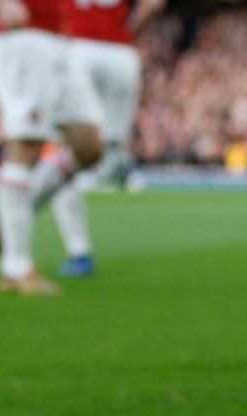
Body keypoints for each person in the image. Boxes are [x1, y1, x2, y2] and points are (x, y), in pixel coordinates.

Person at [0, 0, 105, 295]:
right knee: (26, 144)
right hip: (23, 36)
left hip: (61, 41)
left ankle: (4, 225)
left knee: (90, 146)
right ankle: (16, 269)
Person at [49, 0, 165, 278]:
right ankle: (114, 156)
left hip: (77, 49)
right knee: (110, 145)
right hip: (121, 54)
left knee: (64, 154)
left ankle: (79, 253)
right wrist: (129, 29)